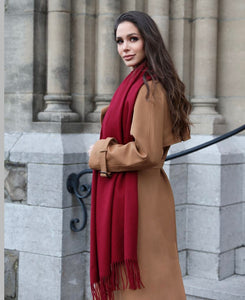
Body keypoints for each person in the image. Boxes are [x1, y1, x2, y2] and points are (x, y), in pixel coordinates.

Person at [88, 11, 191, 300]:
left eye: (133, 39)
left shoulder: (148, 87)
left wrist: (100, 154)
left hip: (139, 200)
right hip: (136, 194)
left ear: (149, 41)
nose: (125, 48)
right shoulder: (137, 82)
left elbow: (146, 153)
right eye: (119, 41)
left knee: (145, 283)